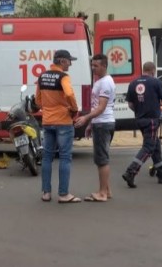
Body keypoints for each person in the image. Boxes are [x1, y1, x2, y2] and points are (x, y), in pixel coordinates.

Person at [36, 49, 81, 203]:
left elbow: (38, 101)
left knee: (47, 157)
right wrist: (74, 108)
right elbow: (69, 94)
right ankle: (63, 194)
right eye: (69, 61)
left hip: (47, 122)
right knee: (65, 157)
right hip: (63, 122)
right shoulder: (64, 77)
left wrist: (49, 107)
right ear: (62, 61)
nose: (70, 63)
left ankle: (46, 193)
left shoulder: (42, 76)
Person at [121, 61, 162, 188]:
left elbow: (130, 104)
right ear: (153, 71)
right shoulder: (156, 82)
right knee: (148, 147)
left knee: (155, 145)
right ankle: (131, 171)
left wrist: (140, 111)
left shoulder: (133, 83)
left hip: (140, 119)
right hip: (151, 120)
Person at [74, 54, 115, 202]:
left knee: (102, 159)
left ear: (104, 65)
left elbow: (101, 107)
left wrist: (86, 118)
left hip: (103, 123)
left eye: (96, 66)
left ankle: (102, 193)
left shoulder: (104, 83)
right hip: (101, 123)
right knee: (101, 158)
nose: (93, 68)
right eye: (92, 65)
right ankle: (106, 190)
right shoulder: (102, 81)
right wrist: (91, 124)